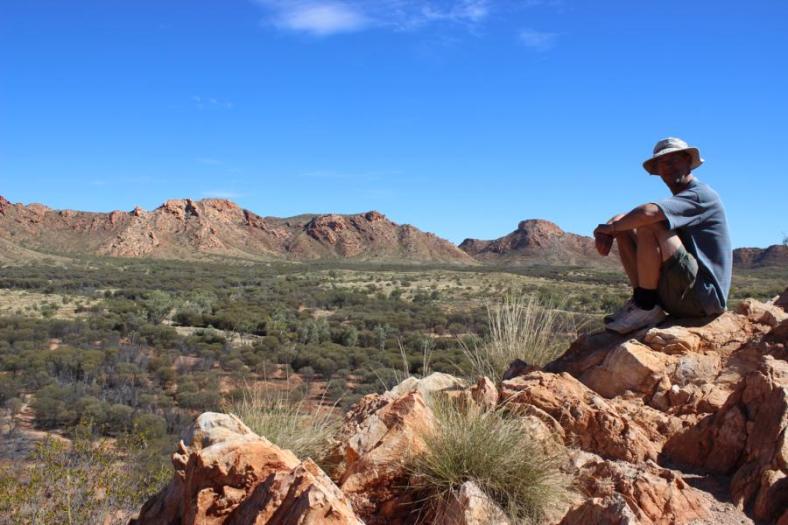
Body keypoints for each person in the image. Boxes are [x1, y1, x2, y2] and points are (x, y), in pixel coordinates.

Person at [593, 137, 732, 334]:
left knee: (648, 223)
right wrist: (612, 226)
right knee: (626, 223)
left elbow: (648, 213)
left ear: (688, 161)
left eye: (674, 160)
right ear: (658, 170)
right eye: (662, 163)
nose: (668, 167)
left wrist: (608, 230)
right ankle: (642, 301)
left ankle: (646, 306)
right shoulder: (681, 200)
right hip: (681, 294)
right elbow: (631, 218)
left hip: (703, 298)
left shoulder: (701, 195)